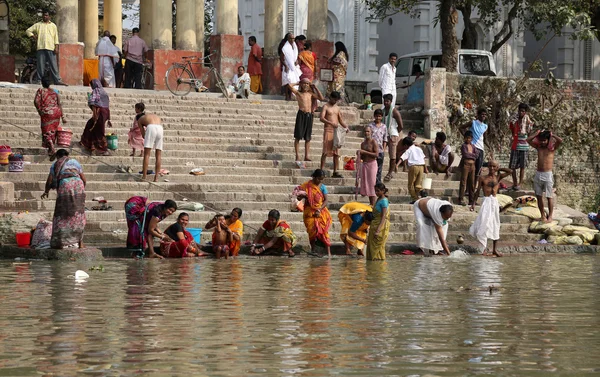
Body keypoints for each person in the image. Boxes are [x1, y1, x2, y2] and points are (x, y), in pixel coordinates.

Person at [41, 149, 86, 249]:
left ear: (57, 156)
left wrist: (46, 191)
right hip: (78, 184)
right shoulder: (75, 162)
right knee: (79, 213)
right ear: (67, 155)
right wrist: (82, 191)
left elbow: (49, 181)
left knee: (62, 213)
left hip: (65, 185)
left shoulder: (55, 164)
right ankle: (80, 243)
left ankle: (60, 242)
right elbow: (83, 179)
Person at [470, 161, 512, 257]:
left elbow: (510, 171)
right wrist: (473, 203)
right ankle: (483, 249)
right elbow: (477, 191)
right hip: (486, 202)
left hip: (494, 202)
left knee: (495, 224)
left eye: (494, 166)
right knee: (484, 224)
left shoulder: (498, 177)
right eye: (490, 166)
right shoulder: (482, 178)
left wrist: (499, 169)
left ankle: (494, 250)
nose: (492, 168)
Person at [527, 129, 563, 223]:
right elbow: (528, 140)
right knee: (538, 196)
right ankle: (542, 216)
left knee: (549, 196)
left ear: (548, 140)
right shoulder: (538, 147)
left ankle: (550, 216)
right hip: (538, 174)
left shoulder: (552, 148)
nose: (543, 142)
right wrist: (536, 134)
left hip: (548, 174)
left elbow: (560, 141)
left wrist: (552, 135)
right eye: (541, 140)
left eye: (544, 140)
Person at [288, 79, 325, 165]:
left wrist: (315, 87)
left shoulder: (311, 94)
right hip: (301, 115)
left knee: (308, 137)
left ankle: (307, 156)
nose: (306, 85)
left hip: (309, 116)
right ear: (301, 84)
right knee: (298, 136)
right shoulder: (298, 93)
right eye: (304, 83)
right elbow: (289, 86)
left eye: (307, 84)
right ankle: (297, 155)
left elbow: (321, 98)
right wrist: (298, 82)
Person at [26, 11, 67, 85]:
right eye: (44, 15)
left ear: (49, 16)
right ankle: (38, 80)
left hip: (51, 47)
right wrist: (34, 37)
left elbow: (56, 37)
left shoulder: (53, 25)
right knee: (40, 65)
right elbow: (28, 31)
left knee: (53, 65)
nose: (45, 17)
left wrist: (56, 46)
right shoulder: (38, 25)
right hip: (41, 47)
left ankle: (57, 80)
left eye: (46, 15)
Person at [299, 169, 333, 257]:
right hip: (309, 212)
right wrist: (302, 196)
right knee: (311, 231)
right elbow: (298, 198)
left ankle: (329, 253)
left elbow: (326, 200)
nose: (320, 181)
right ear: (314, 177)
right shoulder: (306, 186)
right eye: (318, 179)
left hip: (321, 212)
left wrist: (319, 209)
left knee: (324, 231)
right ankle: (313, 250)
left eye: (321, 179)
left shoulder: (322, 187)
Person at [34, 78, 66, 160]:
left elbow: (36, 101)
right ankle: (50, 150)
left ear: (42, 83)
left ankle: (51, 147)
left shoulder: (41, 91)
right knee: (52, 131)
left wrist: (39, 110)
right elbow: (59, 104)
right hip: (56, 113)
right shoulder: (55, 91)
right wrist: (63, 116)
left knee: (46, 132)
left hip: (47, 113)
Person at [319, 91, 348, 178]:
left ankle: (335, 171)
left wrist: (346, 127)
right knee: (325, 151)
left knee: (336, 153)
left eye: (336, 100)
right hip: (328, 130)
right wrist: (331, 123)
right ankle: (321, 170)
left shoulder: (337, 108)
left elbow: (341, 120)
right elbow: (321, 118)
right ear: (330, 97)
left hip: (336, 131)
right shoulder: (326, 106)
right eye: (333, 99)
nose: (334, 101)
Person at [80, 79, 111, 156]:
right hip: (106, 113)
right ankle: (89, 145)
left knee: (99, 131)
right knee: (90, 126)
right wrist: (109, 118)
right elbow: (107, 105)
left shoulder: (96, 91)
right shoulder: (104, 92)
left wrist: (94, 115)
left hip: (99, 113)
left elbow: (93, 103)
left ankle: (103, 149)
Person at [509, 103, 534, 190]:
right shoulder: (514, 120)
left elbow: (529, 133)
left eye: (523, 111)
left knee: (522, 166)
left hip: (524, 146)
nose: (521, 112)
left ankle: (520, 183)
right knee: (512, 166)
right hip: (515, 145)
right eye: (520, 110)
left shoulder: (528, 122)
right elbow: (512, 131)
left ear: (525, 112)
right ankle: (515, 183)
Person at [396, 137, 428, 203]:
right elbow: (423, 158)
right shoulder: (419, 149)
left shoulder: (409, 150)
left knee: (410, 184)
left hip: (413, 167)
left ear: (405, 145)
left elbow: (403, 157)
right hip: (421, 166)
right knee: (418, 183)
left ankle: (415, 199)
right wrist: (425, 168)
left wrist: (397, 165)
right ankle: (422, 190)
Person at [459, 107, 488, 177]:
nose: (483, 116)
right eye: (482, 114)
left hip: (481, 148)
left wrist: (489, 147)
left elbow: (485, 139)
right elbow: (461, 128)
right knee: (470, 167)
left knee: (478, 169)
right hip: (473, 147)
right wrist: (467, 138)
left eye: (485, 114)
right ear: (478, 115)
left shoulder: (485, 126)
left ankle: (474, 186)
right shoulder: (473, 123)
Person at [382, 93, 404, 182]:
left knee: (392, 155)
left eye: (387, 101)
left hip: (392, 135)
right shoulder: (383, 111)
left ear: (391, 102)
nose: (386, 103)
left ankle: (390, 172)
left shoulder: (394, 111)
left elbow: (401, 126)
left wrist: (394, 133)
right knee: (381, 153)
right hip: (384, 135)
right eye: (385, 101)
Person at [366, 183, 390, 260]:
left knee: (378, 247)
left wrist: (378, 230)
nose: (376, 193)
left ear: (383, 191)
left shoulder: (384, 201)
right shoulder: (378, 199)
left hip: (380, 226)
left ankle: (379, 266)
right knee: (371, 246)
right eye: (375, 191)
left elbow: (383, 216)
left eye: (378, 191)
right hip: (374, 225)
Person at [138, 113, 164, 182]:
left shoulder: (140, 120)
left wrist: (146, 135)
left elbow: (143, 135)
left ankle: (144, 176)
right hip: (160, 128)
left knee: (147, 154)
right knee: (158, 155)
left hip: (151, 128)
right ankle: (156, 178)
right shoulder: (155, 116)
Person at [458, 131, 480, 206]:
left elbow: (477, 155)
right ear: (464, 138)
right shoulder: (463, 146)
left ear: (471, 139)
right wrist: (472, 155)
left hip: (472, 165)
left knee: (472, 183)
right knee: (463, 182)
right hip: (466, 164)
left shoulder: (473, 146)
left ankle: (471, 200)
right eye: (467, 138)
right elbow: (465, 154)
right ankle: (460, 199)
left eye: (469, 138)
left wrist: (471, 155)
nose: (468, 139)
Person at [358, 126, 379, 206]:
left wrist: (364, 152)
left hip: (372, 164)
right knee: (367, 184)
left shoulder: (374, 142)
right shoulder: (363, 144)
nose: (366, 133)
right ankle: (371, 203)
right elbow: (363, 156)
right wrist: (359, 154)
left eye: (368, 131)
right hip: (365, 164)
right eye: (365, 131)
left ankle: (373, 204)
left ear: (371, 132)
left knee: (372, 184)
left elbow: (376, 154)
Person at [369, 109, 388, 184]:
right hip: (372, 151)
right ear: (374, 116)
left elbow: (385, 138)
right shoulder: (370, 126)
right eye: (376, 116)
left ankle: (378, 183)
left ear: (382, 117)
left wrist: (383, 148)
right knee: (372, 168)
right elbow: (367, 138)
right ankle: (371, 183)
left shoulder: (384, 127)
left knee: (379, 168)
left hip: (380, 150)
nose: (378, 118)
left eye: (379, 116)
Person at [279, 33, 300, 101]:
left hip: (293, 67)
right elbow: (281, 58)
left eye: (293, 38)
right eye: (290, 38)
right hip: (287, 67)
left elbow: (295, 56)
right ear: (288, 39)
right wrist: (285, 66)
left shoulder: (294, 47)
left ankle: (291, 96)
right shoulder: (285, 48)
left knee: (292, 82)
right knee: (287, 81)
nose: (292, 40)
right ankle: (287, 96)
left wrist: (296, 60)